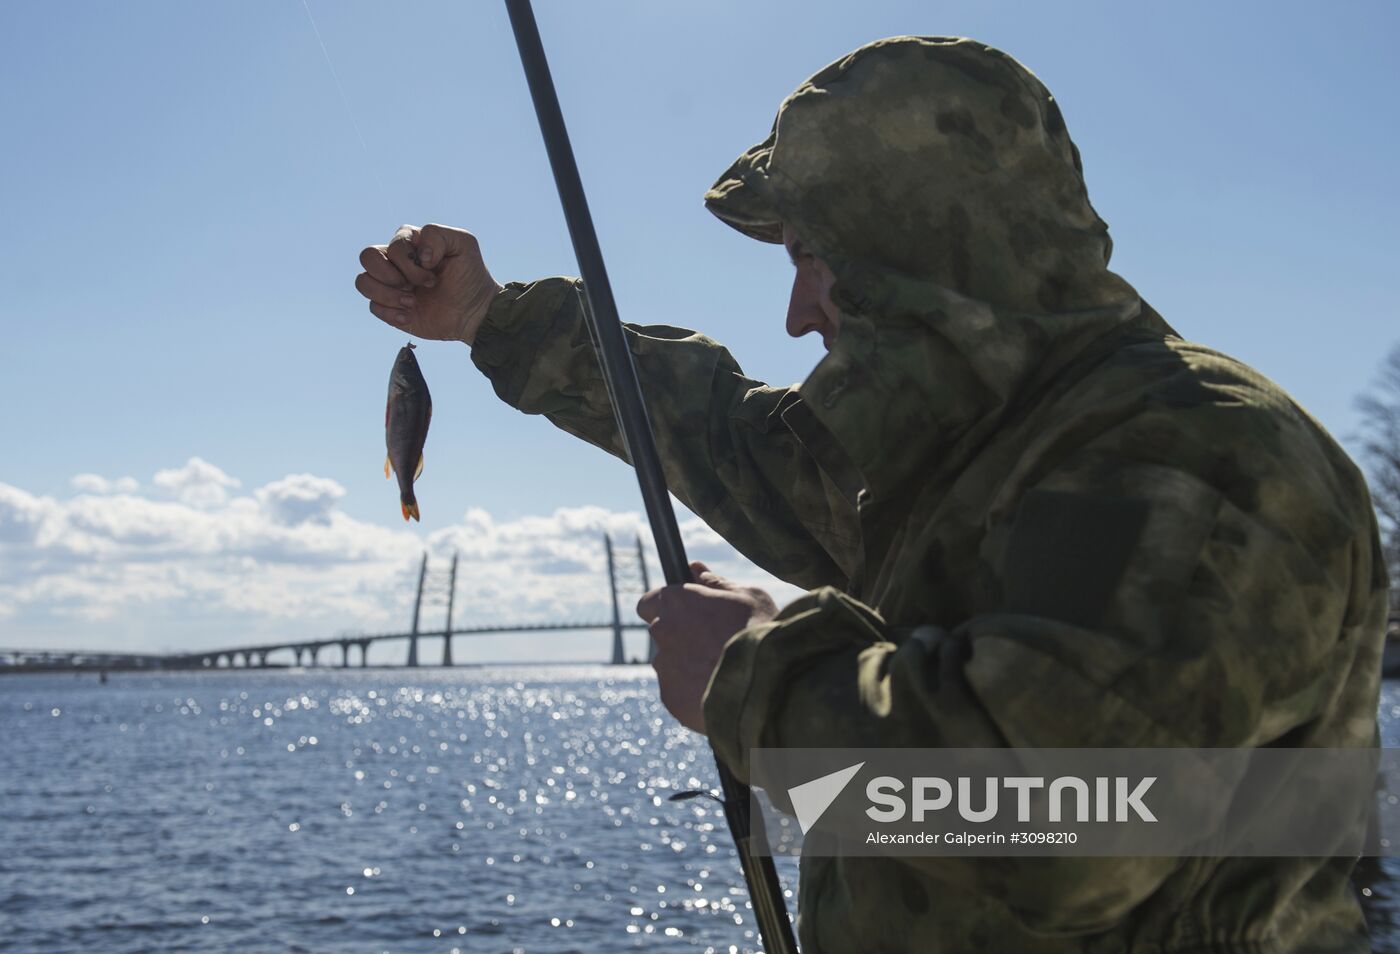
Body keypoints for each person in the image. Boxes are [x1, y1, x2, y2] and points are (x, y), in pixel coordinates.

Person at [355, 36, 1389, 954]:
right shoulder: (967, 448)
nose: (799, 311)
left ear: (920, 252)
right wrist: (490, 316)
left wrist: (755, 678)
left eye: (811, 257)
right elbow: (720, 435)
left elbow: (1076, 821)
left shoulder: (1195, 454)